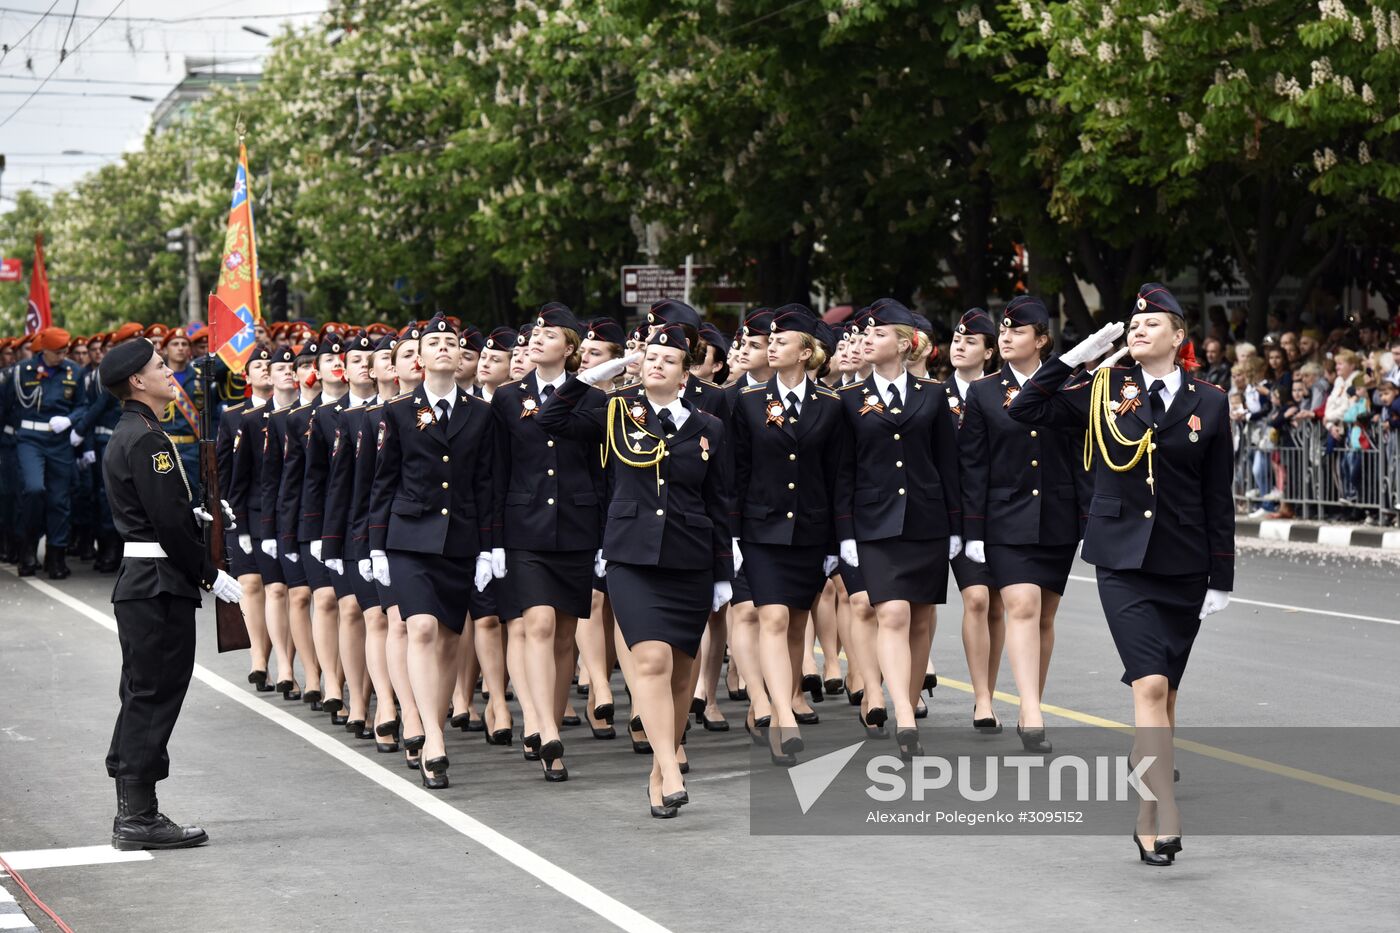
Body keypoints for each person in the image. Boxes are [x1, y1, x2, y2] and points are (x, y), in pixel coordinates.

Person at [1009, 283, 1235, 867]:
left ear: (1179, 336)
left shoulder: (1209, 401)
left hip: (1184, 563)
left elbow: (1218, 496)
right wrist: (1077, 356)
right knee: (1150, 687)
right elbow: (1026, 408)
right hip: (1123, 562)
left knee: (1167, 696)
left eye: (1152, 324)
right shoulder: (1106, 388)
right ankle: (1166, 813)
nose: (1138, 331)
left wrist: (1220, 577)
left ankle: (1144, 814)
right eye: (1133, 325)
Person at [538, 322, 733, 819]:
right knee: (650, 660)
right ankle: (668, 766)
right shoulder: (615, 411)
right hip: (631, 556)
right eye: (650, 357)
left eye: (669, 358)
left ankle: (658, 772)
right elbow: (552, 418)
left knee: (681, 673)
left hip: (690, 559)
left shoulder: (707, 426)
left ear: (687, 372)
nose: (657, 363)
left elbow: (720, 501)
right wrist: (603, 372)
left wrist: (724, 572)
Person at [98, 338, 243, 850]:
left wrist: (193, 517)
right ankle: (138, 818)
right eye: (160, 366)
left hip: (144, 583)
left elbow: (160, 513)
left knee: (142, 694)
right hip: (158, 585)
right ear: (137, 381)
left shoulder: (135, 432)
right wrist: (209, 573)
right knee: (154, 697)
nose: (169, 371)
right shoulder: (149, 440)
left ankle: (133, 812)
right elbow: (164, 525)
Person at [369, 314, 500, 790]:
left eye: (452, 342)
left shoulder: (481, 413)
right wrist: (376, 544)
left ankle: (432, 725)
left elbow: (487, 483)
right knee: (419, 627)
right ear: (419, 358)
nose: (444, 348)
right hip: (409, 538)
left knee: (448, 640)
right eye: (434, 343)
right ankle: (431, 738)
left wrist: (490, 547)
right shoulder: (399, 412)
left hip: (461, 539)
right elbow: (383, 480)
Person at [836, 298, 962, 761]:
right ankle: (904, 715)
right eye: (865, 334)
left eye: (878, 334)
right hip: (874, 524)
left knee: (922, 619)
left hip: (926, 522)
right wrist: (845, 533)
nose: (868, 340)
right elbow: (843, 471)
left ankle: (907, 701)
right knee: (892, 614)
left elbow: (948, 464)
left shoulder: (934, 394)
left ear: (905, 344)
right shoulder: (848, 400)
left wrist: (956, 526)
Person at [960, 296, 1081, 752]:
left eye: (1018, 331)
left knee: (1045, 615)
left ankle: (1034, 697)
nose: (1006, 337)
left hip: (1058, 516)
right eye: (1003, 331)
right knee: (1023, 607)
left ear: (1042, 340)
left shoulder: (1071, 387)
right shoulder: (985, 392)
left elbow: (1080, 457)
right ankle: (1031, 711)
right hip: (1005, 519)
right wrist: (973, 532)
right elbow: (972, 467)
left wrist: (1087, 516)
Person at [491, 302, 606, 782]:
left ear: (571, 348)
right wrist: (492, 540)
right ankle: (540, 724)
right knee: (536, 623)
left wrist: (603, 536)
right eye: (534, 334)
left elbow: (597, 463)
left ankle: (552, 721)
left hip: (577, 527)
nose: (536, 339)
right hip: (525, 528)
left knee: (563, 635)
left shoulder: (594, 399)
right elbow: (497, 468)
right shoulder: (507, 397)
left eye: (550, 335)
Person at [730, 303, 844, 765]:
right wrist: (733, 536)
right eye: (769, 340)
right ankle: (782, 715)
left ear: (806, 352)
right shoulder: (748, 402)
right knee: (773, 619)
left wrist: (837, 543)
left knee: (797, 624)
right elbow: (735, 473)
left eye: (781, 341)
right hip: (761, 531)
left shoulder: (832, 408)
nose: (771, 345)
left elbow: (838, 476)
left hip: (811, 532)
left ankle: (787, 695)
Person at [943, 308, 1007, 734]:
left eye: (970, 342)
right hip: (957, 513)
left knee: (1000, 605)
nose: (959, 346)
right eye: (956, 340)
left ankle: (989, 691)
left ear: (988, 352)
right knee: (978, 599)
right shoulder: (933, 394)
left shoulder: (1004, 393)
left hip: (1001, 511)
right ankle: (981, 697)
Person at [231, 347, 299, 700]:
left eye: (292, 367)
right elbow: (236, 479)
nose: (286, 372)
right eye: (278, 367)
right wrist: (239, 526)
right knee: (262, 588)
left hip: (294, 515)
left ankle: (288, 664)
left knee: (289, 592)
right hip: (257, 514)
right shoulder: (245, 419)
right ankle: (267, 659)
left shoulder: (306, 414)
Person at [11, 326, 89, 578]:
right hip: (30, 438)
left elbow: (83, 405)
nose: (63, 355)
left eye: (64, 350)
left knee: (59, 500)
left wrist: (70, 420)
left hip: (59, 440)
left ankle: (56, 556)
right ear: (44, 350)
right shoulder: (22, 370)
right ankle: (28, 548)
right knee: (34, 490)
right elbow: (7, 404)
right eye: (58, 351)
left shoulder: (73, 371)